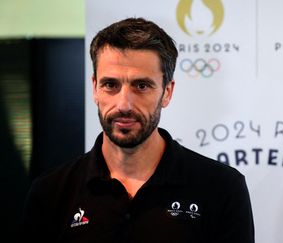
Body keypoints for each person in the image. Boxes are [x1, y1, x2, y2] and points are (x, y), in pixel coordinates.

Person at [20, 17, 255, 243]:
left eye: (141, 86)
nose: (124, 105)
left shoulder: (222, 188)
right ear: (95, 89)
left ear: (167, 92)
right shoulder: (51, 193)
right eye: (110, 85)